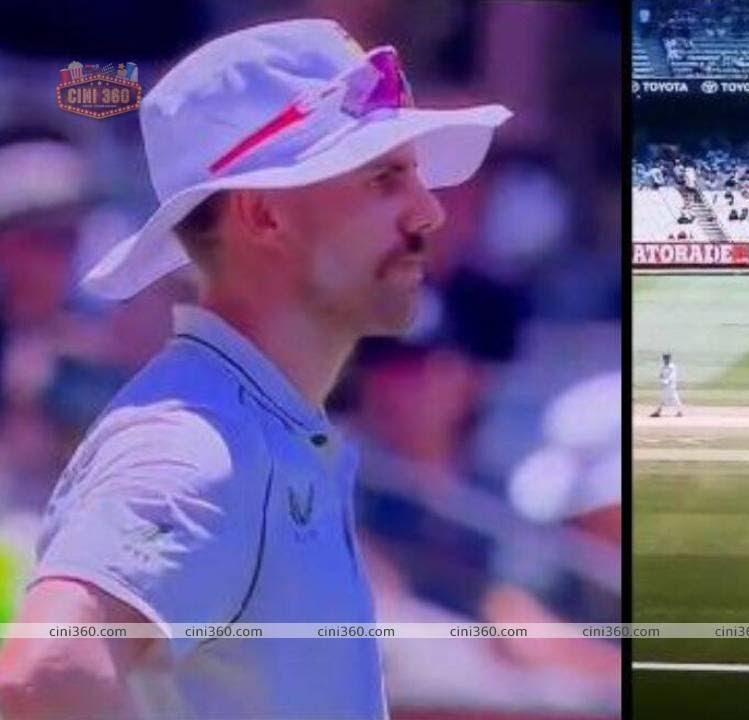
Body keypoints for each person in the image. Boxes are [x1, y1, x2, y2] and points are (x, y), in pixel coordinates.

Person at [0, 19, 510, 720]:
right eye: (385, 177)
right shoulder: (199, 443)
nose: (427, 211)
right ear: (265, 215)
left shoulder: (245, 429)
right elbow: (40, 679)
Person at [650, 353, 684, 417]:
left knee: (674, 398)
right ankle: (658, 412)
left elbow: (672, 376)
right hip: (664, 385)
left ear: (669, 359)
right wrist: (661, 380)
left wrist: (666, 381)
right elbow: (661, 375)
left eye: (667, 358)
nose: (666, 360)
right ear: (663, 359)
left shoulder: (672, 367)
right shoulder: (662, 366)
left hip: (671, 385)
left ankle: (680, 412)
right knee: (663, 398)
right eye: (665, 358)